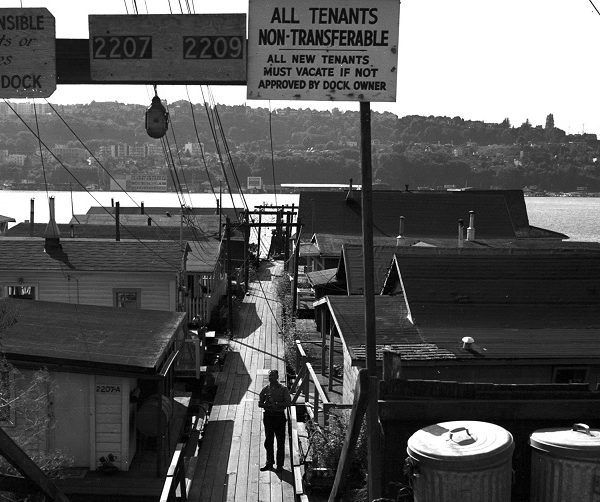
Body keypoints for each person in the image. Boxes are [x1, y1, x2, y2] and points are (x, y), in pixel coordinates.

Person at [258, 369, 291, 472]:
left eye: (272, 376)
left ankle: (280, 465)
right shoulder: (265, 389)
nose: (270, 378)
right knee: (268, 441)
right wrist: (265, 404)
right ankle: (269, 462)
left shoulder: (283, 389)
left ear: (277, 377)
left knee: (280, 442)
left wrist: (276, 404)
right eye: (269, 376)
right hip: (268, 417)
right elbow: (260, 402)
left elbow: (288, 403)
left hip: (279, 417)